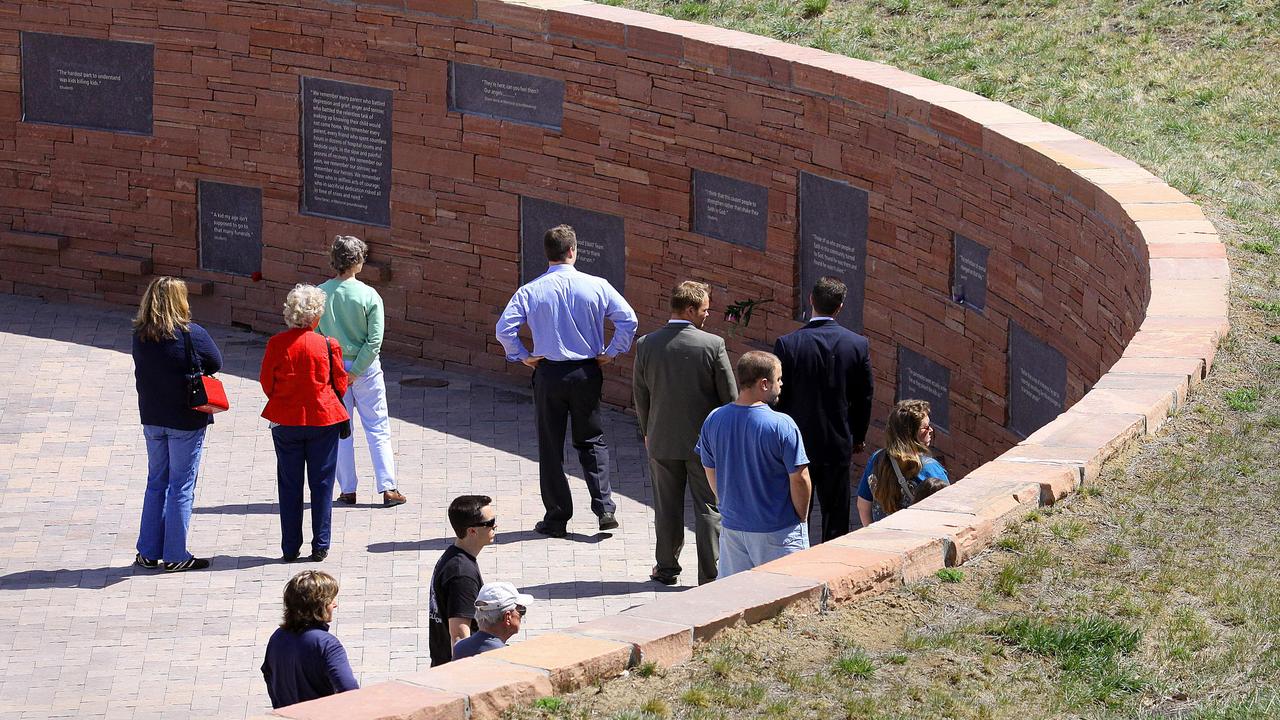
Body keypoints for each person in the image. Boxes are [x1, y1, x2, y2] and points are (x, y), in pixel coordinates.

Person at [495, 224, 638, 538]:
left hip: (549, 371)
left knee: (550, 444)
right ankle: (604, 509)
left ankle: (557, 517)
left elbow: (504, 330)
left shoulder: (530, 290)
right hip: (587, 371)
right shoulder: (596, 285)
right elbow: (629, 319)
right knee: (592, 440)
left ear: (546, 253)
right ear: (573, 250)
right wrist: (612, 352)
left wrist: (523, 355)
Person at [633, 281, 736, 586]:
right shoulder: (712, 345)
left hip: (661, 440)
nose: (708, 313)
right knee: (708, 507)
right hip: (705, 445)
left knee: (666, 507)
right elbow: (729, 398)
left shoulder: (646, 344)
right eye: (705, 308)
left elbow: (641, 395)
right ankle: (711, 574)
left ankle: (666, 568)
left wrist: (647, 432)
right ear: (690, 309)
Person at [131, 276, 223, 572]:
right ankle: (175, 554)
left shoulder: (140, 334)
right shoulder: (191, 333)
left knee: (156, 482)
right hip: (185, 418)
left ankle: (147, 552)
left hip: (153, 417)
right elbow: (216, 362)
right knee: (181, 485)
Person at [773, 276, 874, 543]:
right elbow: (864, 396)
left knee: (795, 510)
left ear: (810, 300)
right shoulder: (857, 345)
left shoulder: (788, 344)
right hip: (836, 441)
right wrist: (858, 436)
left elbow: (779, 395)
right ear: (840, 306)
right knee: (836, 514)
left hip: (795, 442)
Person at [696, 351, 811, 577]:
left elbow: (710, 470)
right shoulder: (782, 425)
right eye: (778, 379)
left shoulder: (714, 419)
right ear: (764, 383)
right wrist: (801, 517)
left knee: (735, 599)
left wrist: (729, 505)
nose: (781, 384)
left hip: (733, 528)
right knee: (783, 599)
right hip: (778, 530)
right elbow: (800, 478)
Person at [260, 284, 350, 563]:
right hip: (323, 419)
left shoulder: (277, 343)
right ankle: (320, 544)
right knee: (322, 484)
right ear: (317, 317)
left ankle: (290, 547)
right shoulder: (328, 344)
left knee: (289, 484)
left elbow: (266, 383)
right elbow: (340, 384)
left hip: (286, 420)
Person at [318, 235, 407, 508]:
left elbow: (319, 335)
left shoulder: (321, 293)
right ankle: (388, 487)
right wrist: (355, 370)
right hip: (365, 369)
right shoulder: (369, 295)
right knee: (378, 427)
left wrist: (341, 370)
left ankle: (347, 490)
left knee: (341, 430)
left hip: (334, 370)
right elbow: (374, 340)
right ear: (358, 262)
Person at [261, 570, 358, 708]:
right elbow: (350, 691)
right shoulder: (327, 644)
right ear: (318, 606)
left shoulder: (277, 637)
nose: (334, 604)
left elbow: (269, 676)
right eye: (330, 600)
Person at [856, 399, 950, 525]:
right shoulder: (929, 468)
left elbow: (863, 505)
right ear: (911, 433)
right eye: (926, 427)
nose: (931, 430)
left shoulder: (877, 459)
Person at [428, 495, 495, 666]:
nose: (495, 525)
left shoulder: (453, 556)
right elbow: (459, 635)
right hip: (453, 669)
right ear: (472, 531)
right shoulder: (462, 574)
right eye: (490, 522)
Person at [450, 581, 536, 661]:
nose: (521, 616)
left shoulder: (459, 648)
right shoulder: (510, 658)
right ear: (508, 617)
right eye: (521, 610)